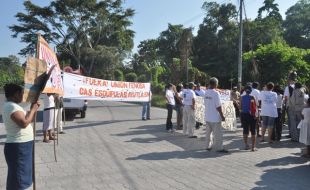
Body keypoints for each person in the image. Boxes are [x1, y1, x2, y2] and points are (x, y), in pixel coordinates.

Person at [2, 83, 40, 189]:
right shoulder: (11, 106)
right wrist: (32, 110)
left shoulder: (13, 106)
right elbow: (23, 123)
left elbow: (28, 119)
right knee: (19, 177)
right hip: (18, 146)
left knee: (20, 176)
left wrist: (33, 110)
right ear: (15, 94)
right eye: (21, 93)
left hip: (22, 145)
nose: (23, 96)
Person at [204, 77, 228, 153]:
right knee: (217, 134)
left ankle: (207, 146)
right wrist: (222, 115)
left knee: (208, 133)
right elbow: (218, 106)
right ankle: (219, 148)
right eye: (217, 83)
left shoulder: (206, 92)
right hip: (215, 117)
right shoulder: (215, 93)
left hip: (208, 116)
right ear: (215, 84)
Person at [240, 86, 257, 151]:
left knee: (245, 130)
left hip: (244, 115)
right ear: (251, 91)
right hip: (251, 115)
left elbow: (240, 107)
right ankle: (253, 147)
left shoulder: (242, 97)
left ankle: (246, 145)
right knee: (253, 131)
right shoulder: (252, 97)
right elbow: (255, 106)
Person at [284, 72, 297, 138]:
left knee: (291, 121)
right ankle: (298, 134)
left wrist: (285, 105)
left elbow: (286, 98)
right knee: (297, 120)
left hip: (290, 106)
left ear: (289, 79)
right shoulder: (299, 86)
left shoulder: (288, 87)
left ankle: (292, 134)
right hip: (298, 106)